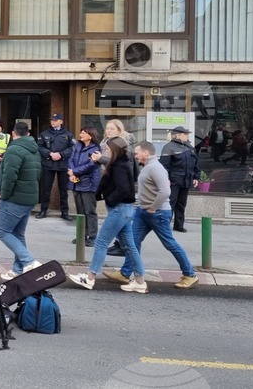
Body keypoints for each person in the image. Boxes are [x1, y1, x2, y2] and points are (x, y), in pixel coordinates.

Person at [106, 141, 199, 290]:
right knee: (133, 242)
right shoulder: (149, 167)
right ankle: (125, 273)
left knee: (169, 243)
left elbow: (165, 191)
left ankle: (190, 275)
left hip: (158, 213)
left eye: (137, 153)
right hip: (143, 212)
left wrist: (153, 208)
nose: (135, 156)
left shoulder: (155, 168)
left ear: (146, 153)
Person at [69, 137, 148, 293]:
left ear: (114, 149)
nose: (105, 150)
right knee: (131, 247)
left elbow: (123, 189)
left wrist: (109, 199)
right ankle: (140, 281)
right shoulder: (121, 163)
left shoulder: (119, 166)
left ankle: (89, 278)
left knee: (101, 242)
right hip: (125, 209)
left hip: (119, 209)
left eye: (107, 148)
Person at [0, 121, 42, 280]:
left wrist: (3, 195)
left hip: (15, 198)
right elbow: (39, 173)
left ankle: (29, 261)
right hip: (29, 197)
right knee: (17, 234)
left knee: (2, 231)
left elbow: (9, 176)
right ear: (28, 133)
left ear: (13, 134)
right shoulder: (34, 149)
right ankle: (18, 270)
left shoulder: (14, 149)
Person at [91, 118, 137, 256]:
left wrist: (101, 159)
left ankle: (122, 246)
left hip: (118, 190)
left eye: (112, 128)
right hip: (109, 184)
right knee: (123, 228)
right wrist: (95, 160)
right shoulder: (104, 143)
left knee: (105, 236)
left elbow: (119, 164)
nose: (109, 130)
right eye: (107, 128)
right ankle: (123, 246)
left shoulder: (123, 144)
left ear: (119, 130)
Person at [160, 125, 200, 233]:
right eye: (185, 134)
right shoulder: (169, 147)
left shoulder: (190, 147)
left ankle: (179, 225)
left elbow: (195, 163)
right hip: (173, 180)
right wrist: (166, 179)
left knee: (182, 203)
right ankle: (165, 226)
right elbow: (164, 165)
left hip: (186, 179)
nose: (187, 136)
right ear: (178, 135)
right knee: (170, 203)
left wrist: (196, 176)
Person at [36, 113, 74, 220]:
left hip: (62, 164)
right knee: (46, 189)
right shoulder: (44, 134)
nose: (52, 121)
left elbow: (72, 148)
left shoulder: (68, 134)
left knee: (63, 190)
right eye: (51, 120)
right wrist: (50, 154)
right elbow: (39, 147)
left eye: (55, 120)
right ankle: (43, 210)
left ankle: (65, 212)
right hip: (48, 164)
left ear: (61, 121)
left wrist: (61, 154)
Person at [67, 127, 102, 245]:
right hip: (76, 182)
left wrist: (74, 171)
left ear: (90, 136)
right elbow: (71, 159)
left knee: (89, 211)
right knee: (80, 211)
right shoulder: (77, 146)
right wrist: (71, 172)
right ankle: (81, 235)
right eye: (81, 132)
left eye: (84, 133)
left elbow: (91, 165)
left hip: (89, 183)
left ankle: (92, 236)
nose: (81, 134)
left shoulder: (96, 149)